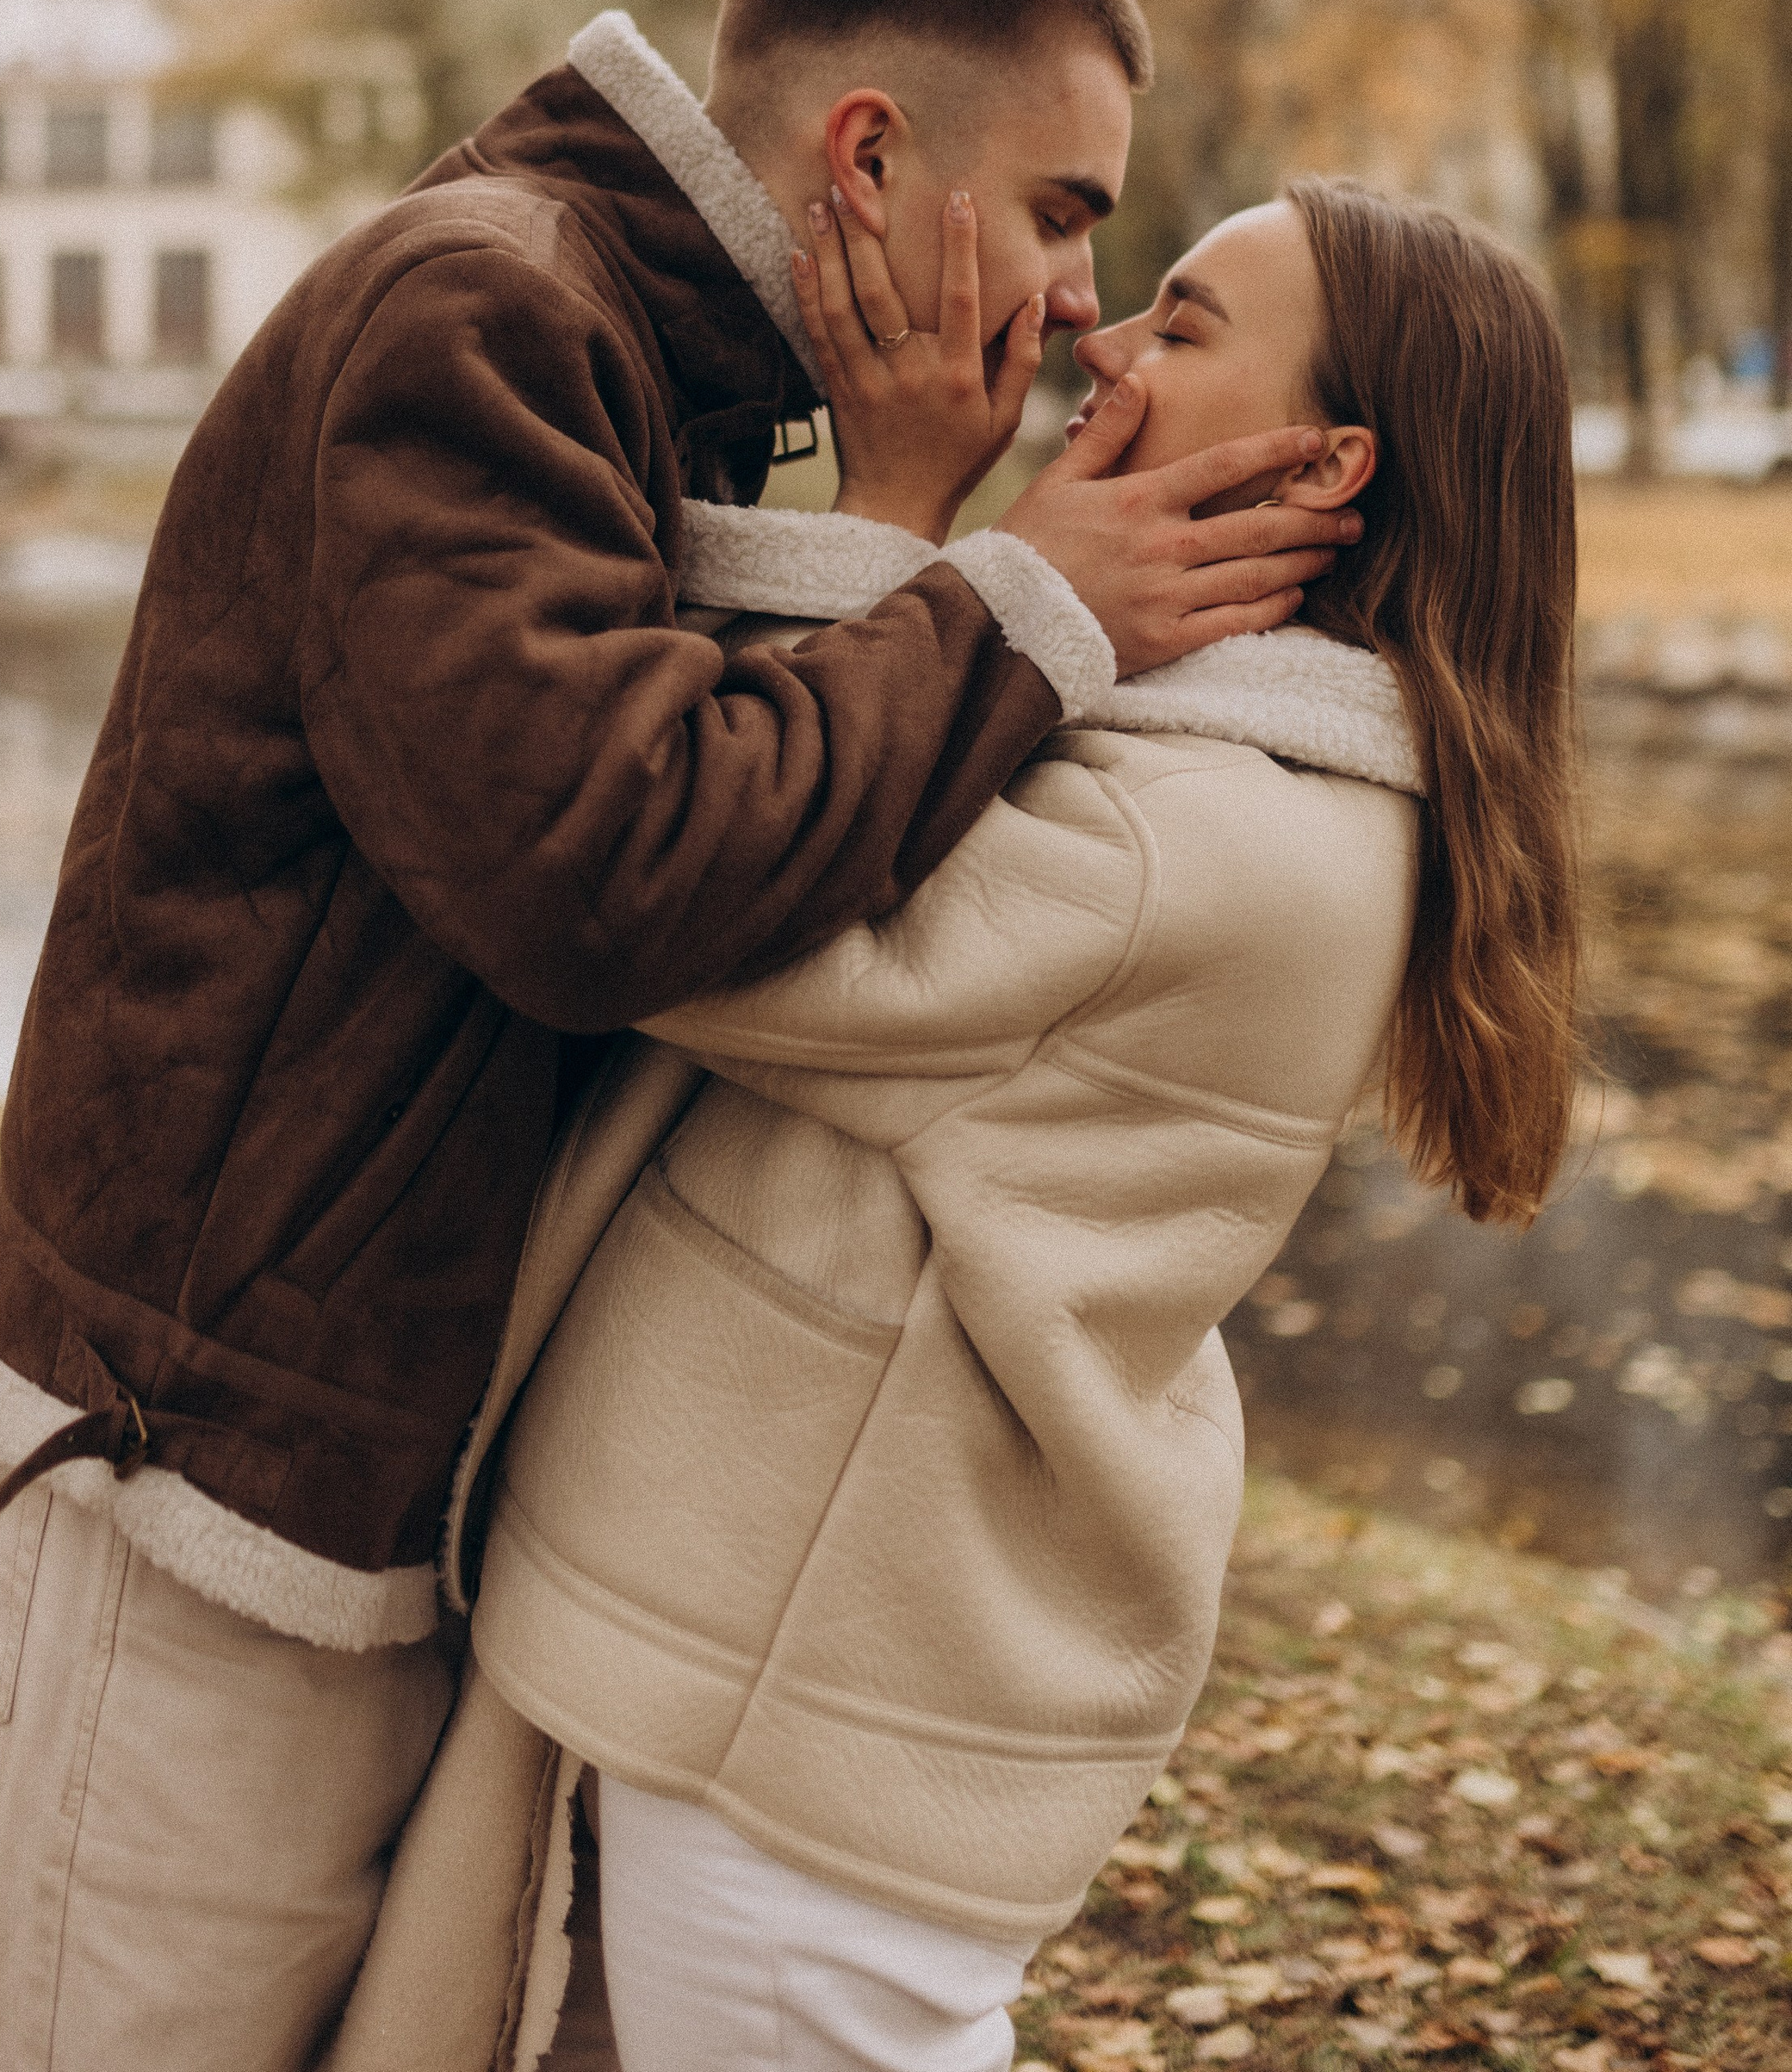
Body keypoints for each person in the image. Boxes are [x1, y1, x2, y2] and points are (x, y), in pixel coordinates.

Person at [0, 0, 1362, 2072]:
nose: (1080, 306)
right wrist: (1006, 598)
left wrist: (907, 526)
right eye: (1069, 216)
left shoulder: (689, 374)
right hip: (189, 1477)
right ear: (870, 157)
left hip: (390, 1473)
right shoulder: (484, 318)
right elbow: (603, 876)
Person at [330, 174, 1583, 2072]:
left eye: (1178, 322)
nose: (1103, 339)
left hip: (807, 1714)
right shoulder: (1220, 764)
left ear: (1324, 468)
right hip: (778, 1659)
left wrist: (905, 520)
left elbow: (679, 910)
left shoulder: (1200, 839)